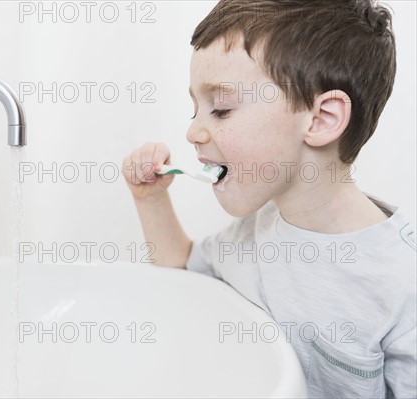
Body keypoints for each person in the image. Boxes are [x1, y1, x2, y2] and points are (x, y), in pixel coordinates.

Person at [121, 1, 416, 397]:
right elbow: (181, 277)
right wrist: (151, 201)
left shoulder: (401, 284)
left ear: (321, 119)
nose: (193, 132)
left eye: (221, 110)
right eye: (195, 109)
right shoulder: (255, 230)